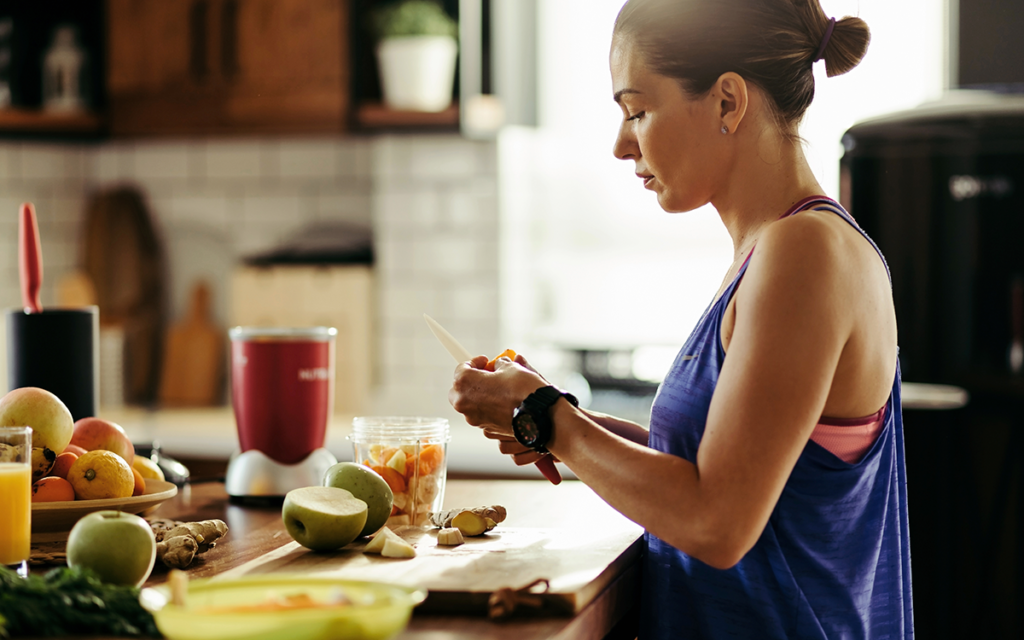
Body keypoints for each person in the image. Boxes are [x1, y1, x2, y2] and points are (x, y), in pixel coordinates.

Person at [448, 0, 912, 638]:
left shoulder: (805, 253)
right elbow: (721, 472)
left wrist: (548, 422)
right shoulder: (771, 252)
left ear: (727, 102)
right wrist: (559, 414)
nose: (620, 144)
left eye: (637, 110)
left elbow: (717, 524)